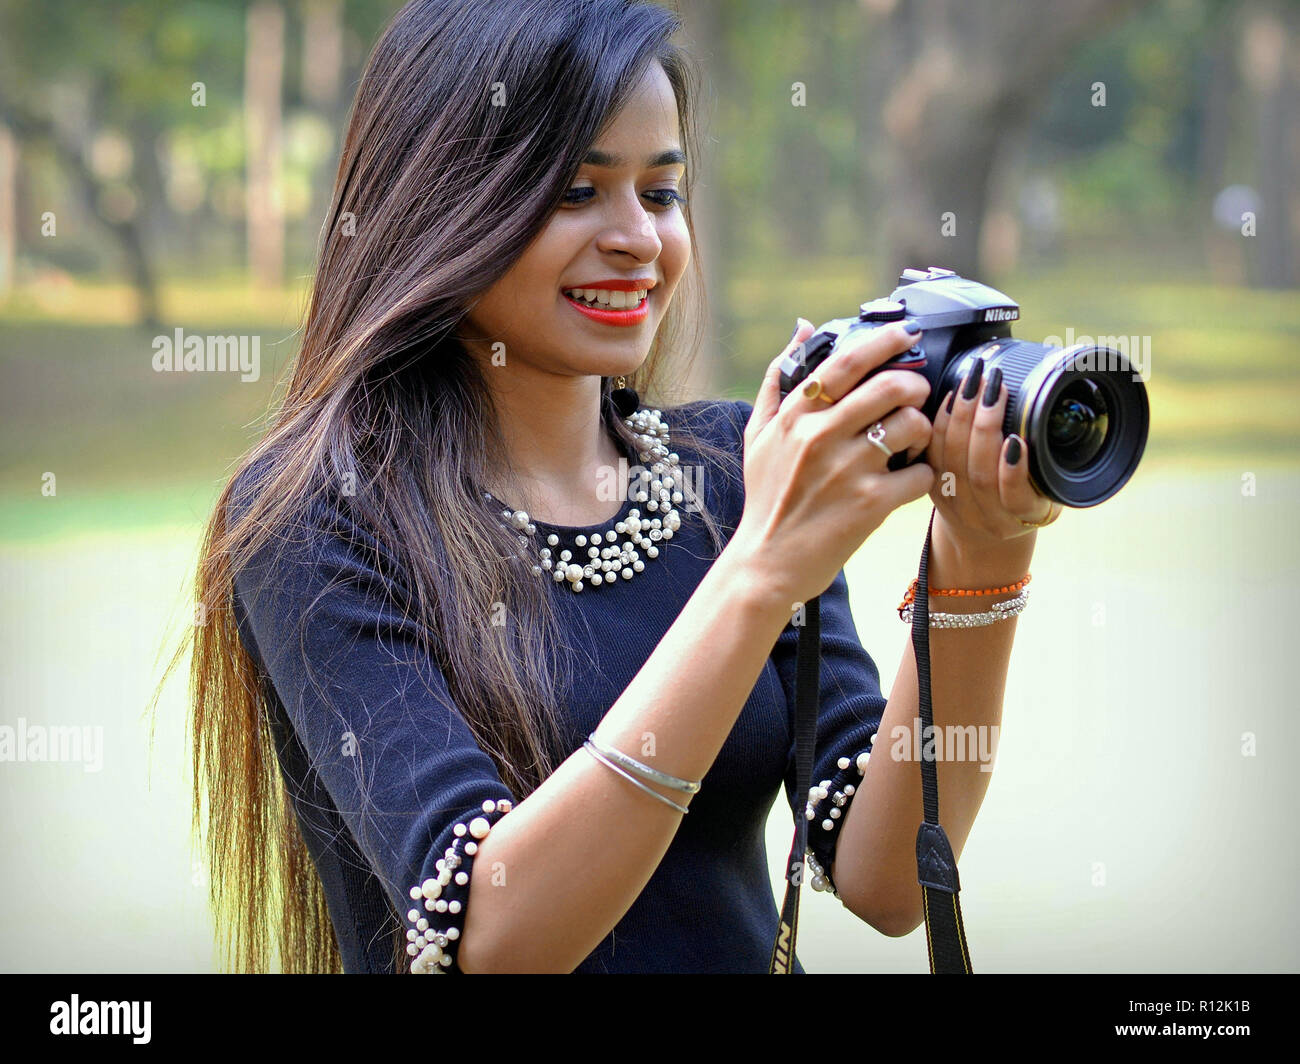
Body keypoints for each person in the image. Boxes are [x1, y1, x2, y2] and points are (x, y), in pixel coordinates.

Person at [185, 0, 1059, 975]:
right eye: (573, 191)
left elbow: (890, 876)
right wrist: (757, 573)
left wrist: (982, 553)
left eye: (661, 191)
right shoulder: (315, 516)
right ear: (444, 200)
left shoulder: (731, 469)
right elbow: (491, 931)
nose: (637, 238)